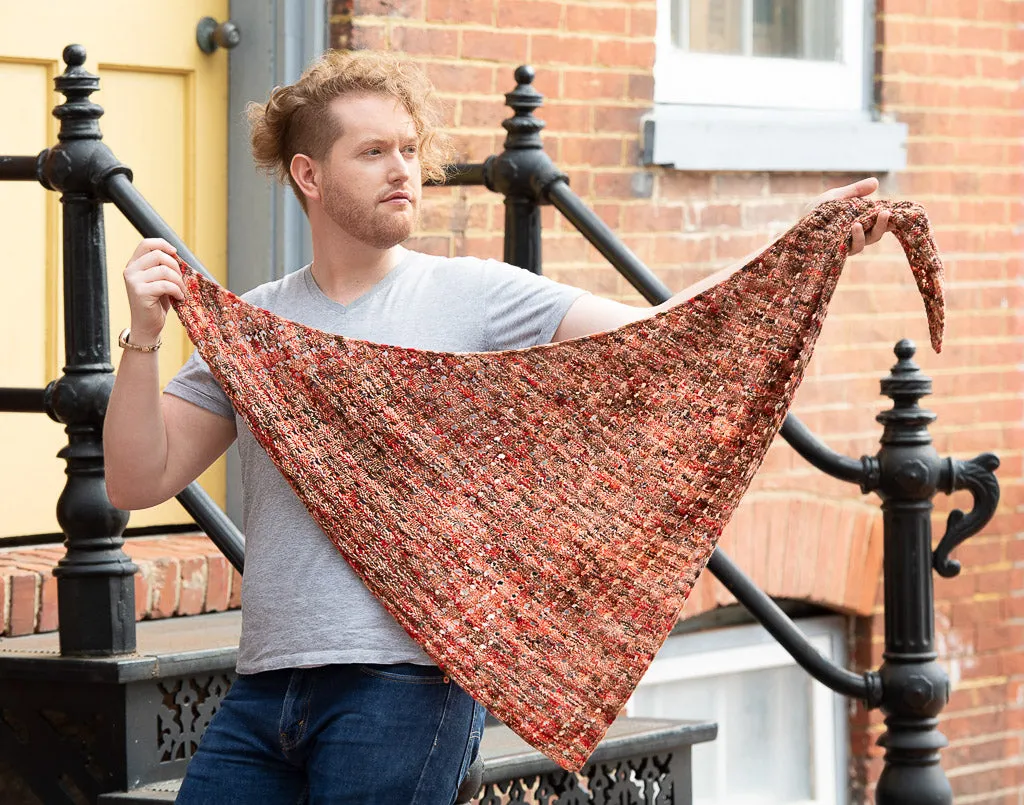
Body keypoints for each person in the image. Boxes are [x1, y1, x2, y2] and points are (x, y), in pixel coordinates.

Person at [103, 49, 891, 804]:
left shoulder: (475, 297)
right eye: (373, 151)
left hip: (406, 685)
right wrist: (141, 338)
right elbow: (138, 478)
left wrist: (802, 244)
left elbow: (664, 332)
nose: (403, 168)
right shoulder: (258, 327)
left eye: (410, 148)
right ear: (309, 175)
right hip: (267, 684)